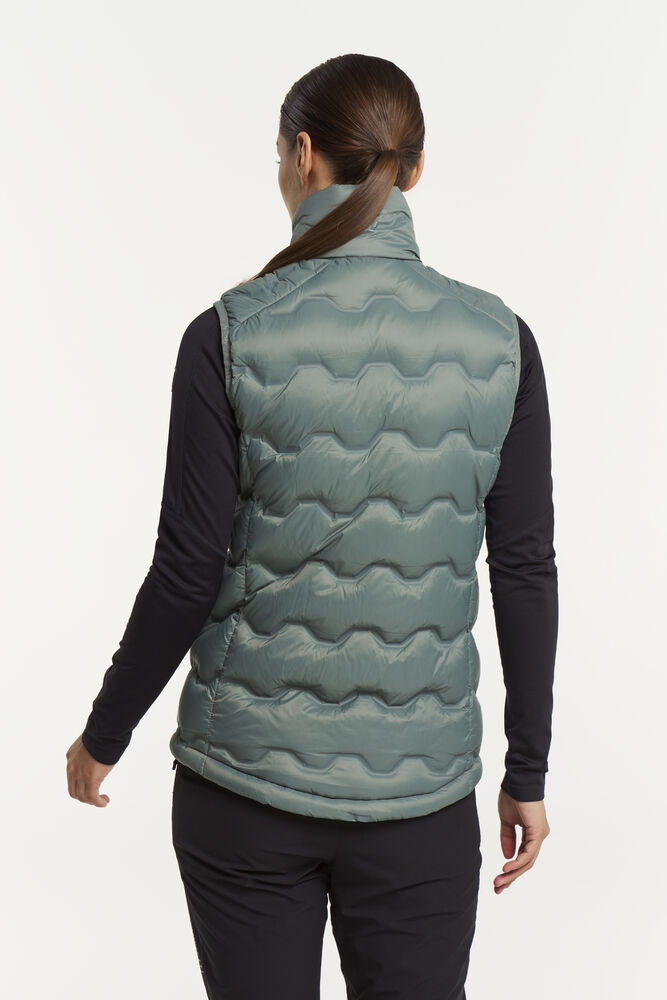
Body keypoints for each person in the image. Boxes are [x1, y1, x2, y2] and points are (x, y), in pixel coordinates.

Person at [66, 53, 557, 1000]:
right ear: (415, 168)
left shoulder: (229, 332)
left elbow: (185, 570)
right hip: (420, 801)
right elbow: (525, 568)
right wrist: (526, 772)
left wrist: (104, 734)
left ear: (300, 155)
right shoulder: (501, 341)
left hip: (243, 793)